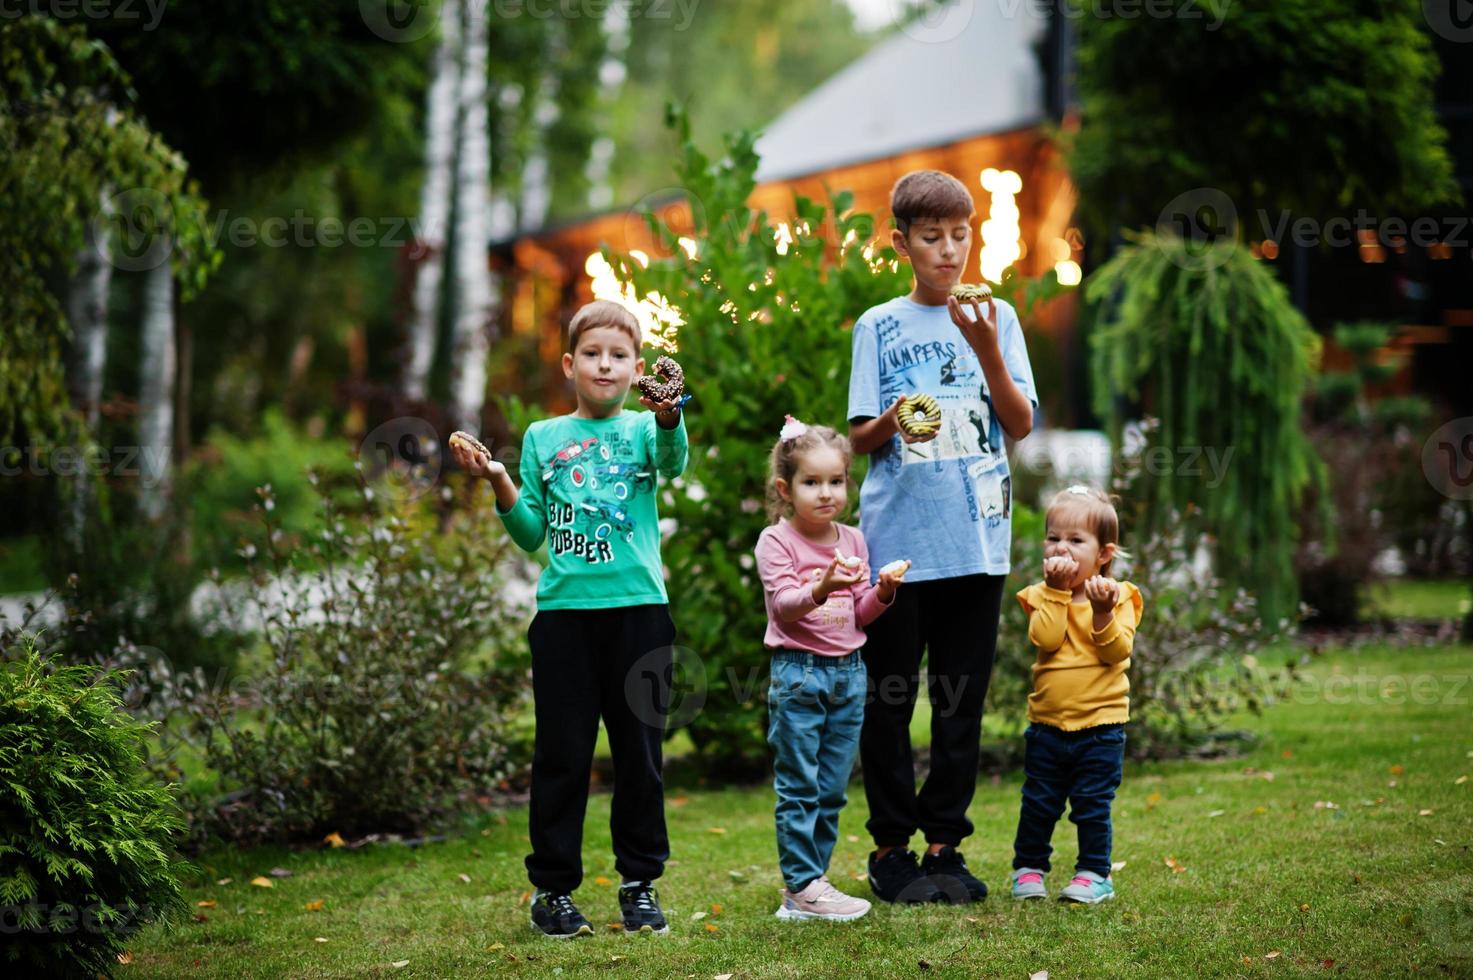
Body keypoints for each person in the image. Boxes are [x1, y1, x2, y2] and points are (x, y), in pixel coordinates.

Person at [451, 300, 687, 938]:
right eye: (592, 354)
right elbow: (530, 533)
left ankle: (639, 884)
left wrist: (670, 414)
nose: (604, 365)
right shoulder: (541, 439)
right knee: (562, 755)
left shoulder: (644, 428)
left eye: (618, 356)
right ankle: (552, 892)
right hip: (564, 621)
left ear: (637, 367)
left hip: (639, 615)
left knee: (640, 756)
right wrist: (500, 479)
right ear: (569, 364)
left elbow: (672, 463)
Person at [847, 169, 1037, 904]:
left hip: (976, 544)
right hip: (897, 548)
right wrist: (891, 420)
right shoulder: (878, 325)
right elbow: (861, 438)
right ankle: (890, 847)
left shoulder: (999, 316)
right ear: (901, 243)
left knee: (960, 700)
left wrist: (985, 347)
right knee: (888, 700)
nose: (949, 251)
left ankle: (945, 847)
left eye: (960, 235)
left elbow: (1018, 425)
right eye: (931, 239)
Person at [755, 416, 908, 921]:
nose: (826, 493)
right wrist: (822, 586)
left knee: (831, 789)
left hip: (849, 672)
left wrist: (882, 592)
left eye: (836, 481)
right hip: (799, 674)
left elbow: (859, 612)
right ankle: (802, 884)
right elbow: (785, 606)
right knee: (799, 785)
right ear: (786, 487)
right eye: (811, 482)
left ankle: (809, 886)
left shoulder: (855, 540)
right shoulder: (776, 542)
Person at [1010, 485, 1143, 904]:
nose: (1061, 548)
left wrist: (1102, 613)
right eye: (1053, 538)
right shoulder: (1040, 594)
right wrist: (1054, 592)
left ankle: (1093, 873)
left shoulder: (1119, 596)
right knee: (1038, 802)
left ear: (1104, 553)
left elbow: (1116, 652)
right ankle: (1029, 868)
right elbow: (1046, 640)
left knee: (1091, 805)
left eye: (1075, 540)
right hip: (1048, 724)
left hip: (1101, 727)